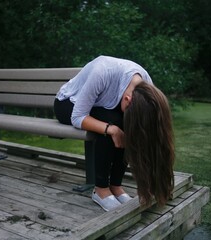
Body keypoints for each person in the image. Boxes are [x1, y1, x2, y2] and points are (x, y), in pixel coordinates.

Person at [54, 55, 174, 211]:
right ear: (127, 99)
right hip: (68, 104)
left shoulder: (145, 84)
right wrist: (109, 129)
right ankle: (101, 189)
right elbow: (77, 117)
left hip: (96, 107)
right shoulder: (103, 72)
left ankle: (116, 185)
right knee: (112, 123)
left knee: (121, 122)